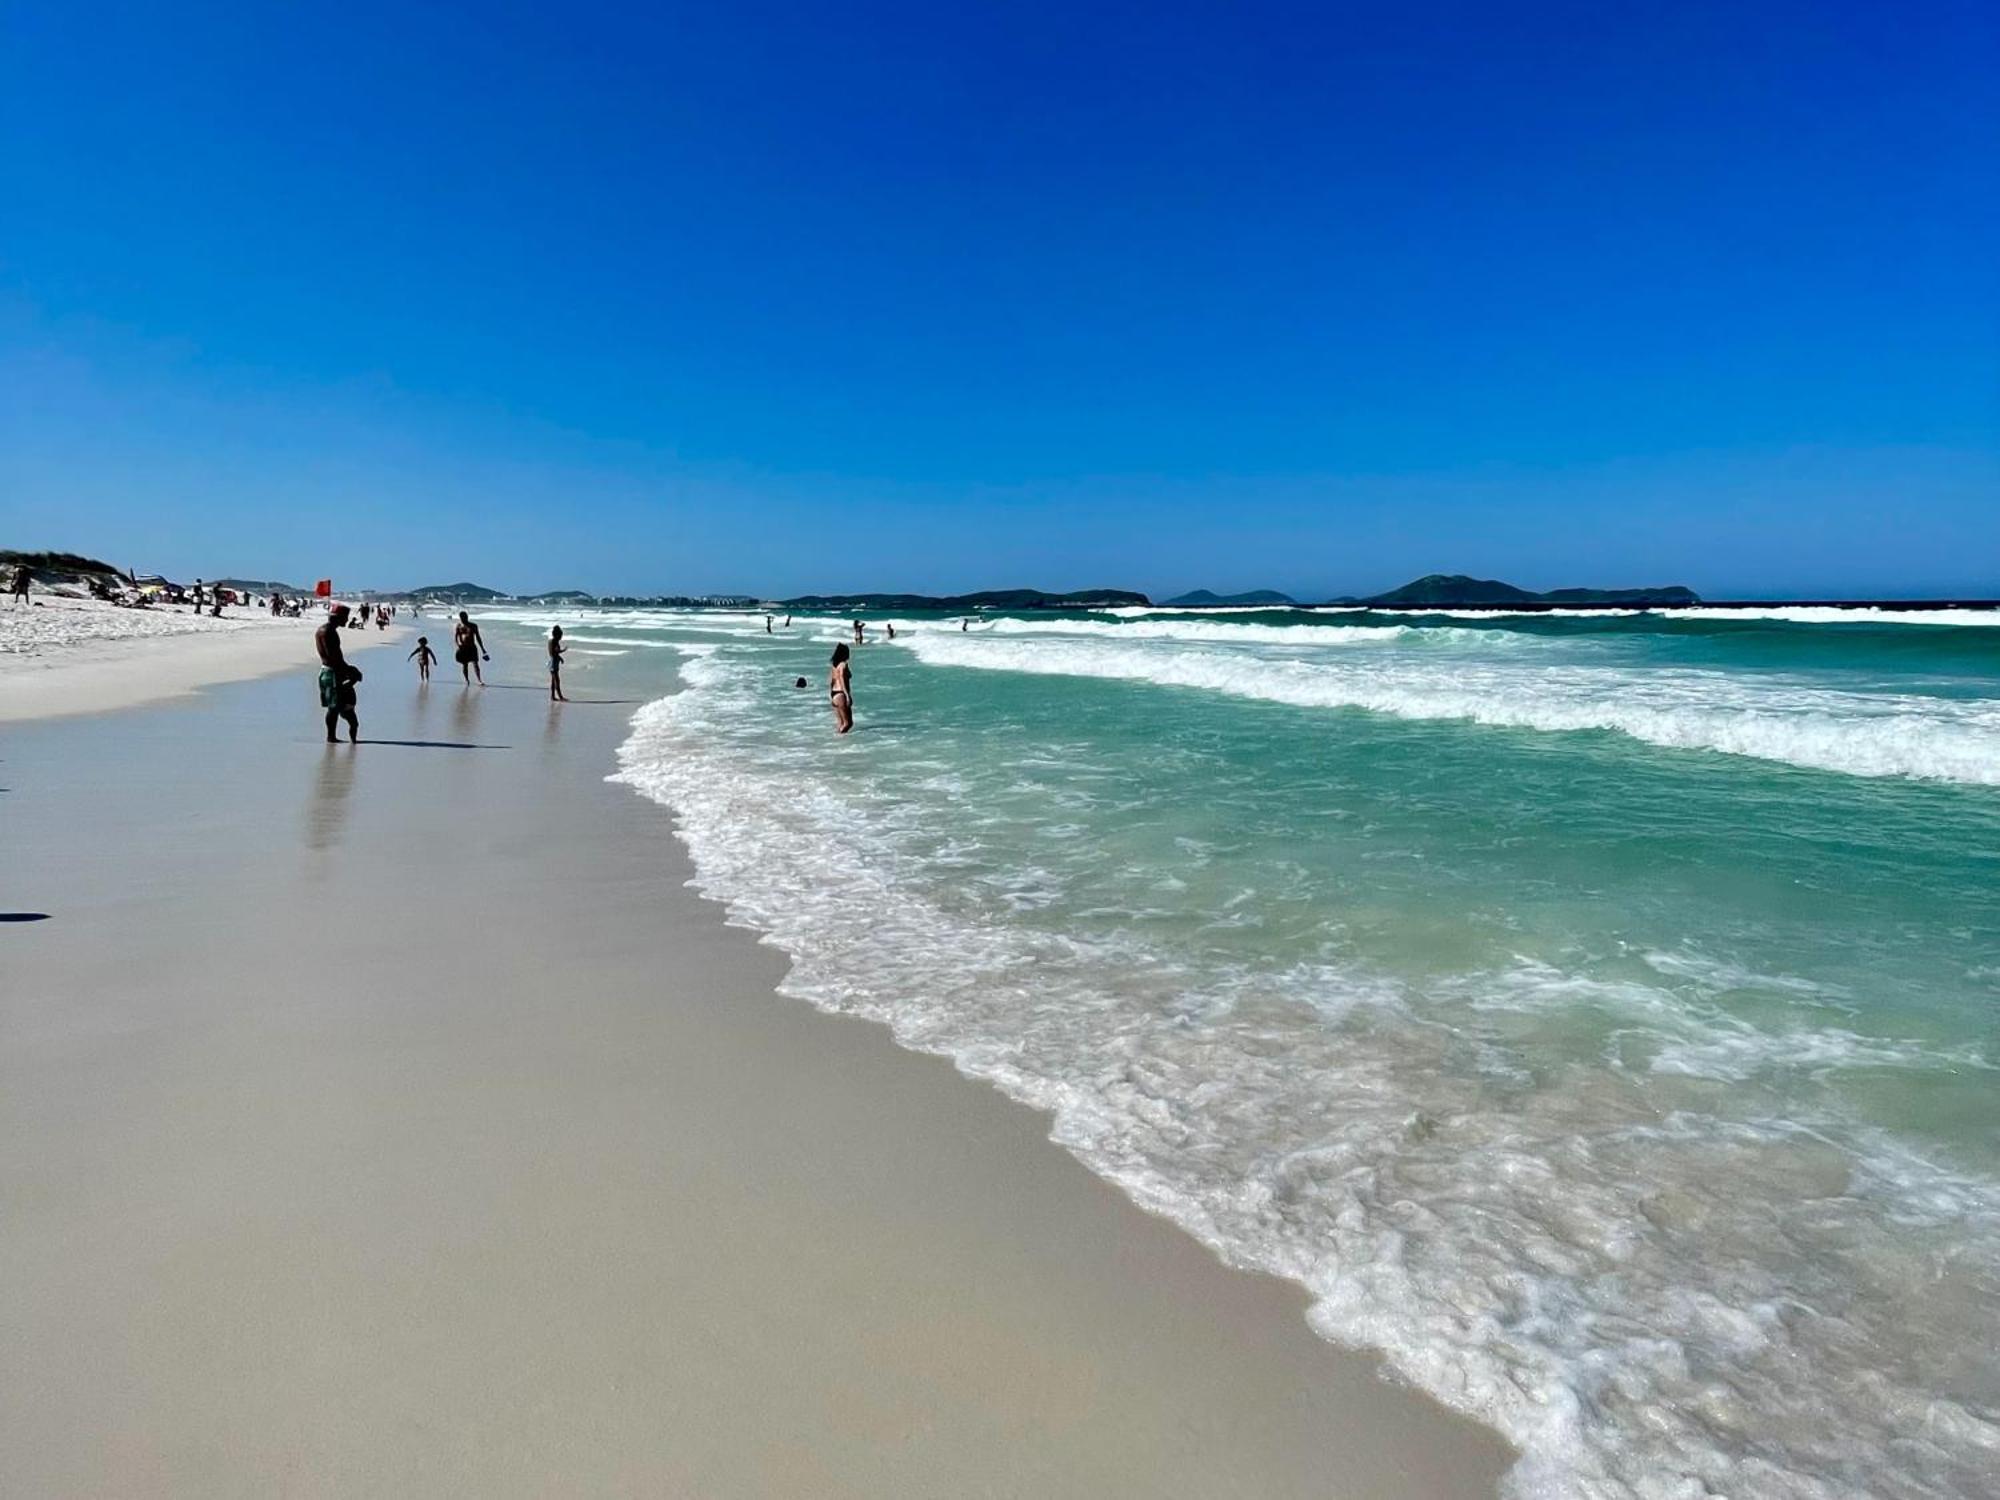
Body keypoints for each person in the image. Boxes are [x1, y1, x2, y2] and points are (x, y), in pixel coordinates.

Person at [315, 605, 362, 743]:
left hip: (326, 671)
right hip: (333, 672)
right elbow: (334, 657)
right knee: (336, 707)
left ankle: (331, 736)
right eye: (345, 617)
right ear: (338, 617)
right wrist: (350, 671)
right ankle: (331, 737)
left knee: (333, 707)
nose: (347, 620)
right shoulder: (329, 632)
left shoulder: (323, 630)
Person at [453, 610, 488, 685]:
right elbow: (456, 637)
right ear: (460, 618)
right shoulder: (459, 626)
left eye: (465, 617)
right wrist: (458, 645)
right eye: (462, 617)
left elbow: (478, 638)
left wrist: (483, 649)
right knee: (465, 665)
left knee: (475, 663)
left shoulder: (473, 626)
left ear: (467, 617)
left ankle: (479, 680)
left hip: (472, 647)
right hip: (463, 648)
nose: (464, 619)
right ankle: (466, 680)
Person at [829, 642, 854, 734]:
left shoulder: (834, 666)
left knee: (840, 723)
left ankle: (839, 743)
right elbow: (842, 679)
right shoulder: (843, 665)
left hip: (834, 693)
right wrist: (847, 695)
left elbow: (831, 680)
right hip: (841, 693)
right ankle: (840, 738)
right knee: (848, 723)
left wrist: (830, 694)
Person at [547, 626, 568, 702]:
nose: (561, 637)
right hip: (554, 663)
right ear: (557, 635)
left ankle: (552, 696)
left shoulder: (551, 641)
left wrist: (560, 658)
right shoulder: (554, 642)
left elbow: (553, 653)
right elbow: (555, 652)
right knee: (557, 680)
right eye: (560, 636)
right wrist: (563, 650)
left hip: (552, 661)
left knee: (553, 680)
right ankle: (560, 697)